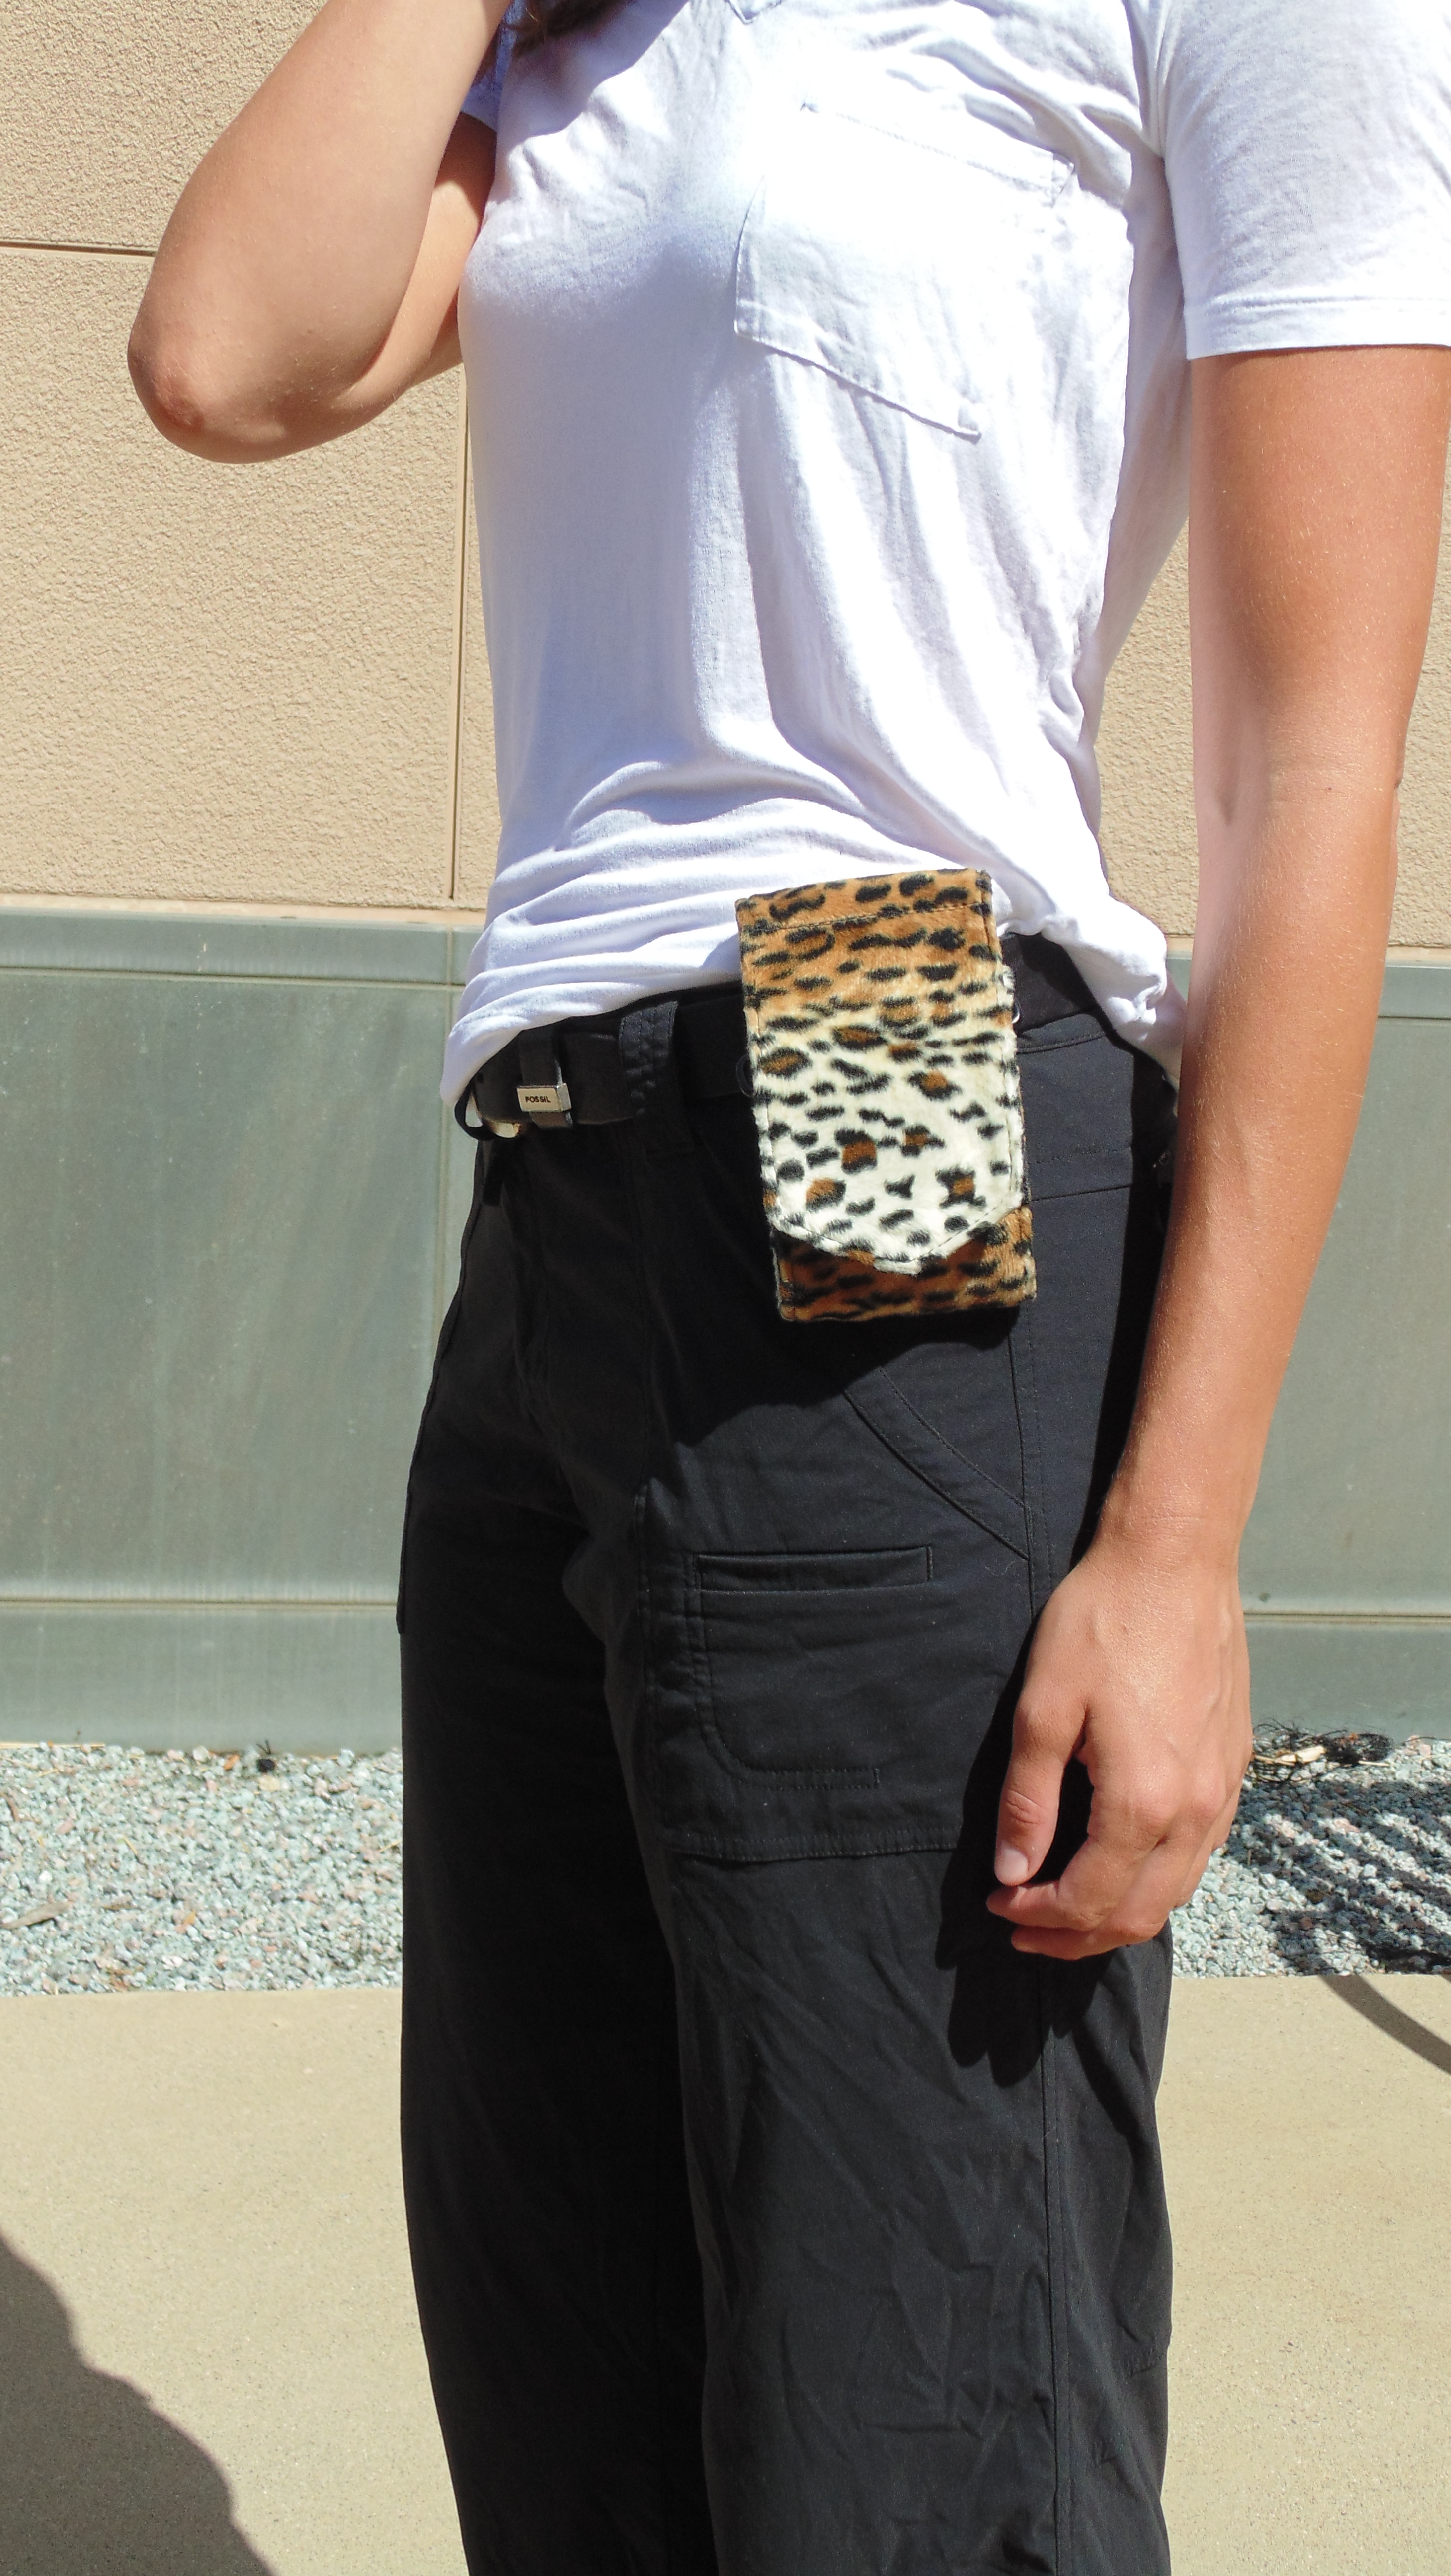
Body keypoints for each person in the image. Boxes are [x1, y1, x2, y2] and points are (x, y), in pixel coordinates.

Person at [128, 0, 1451, 2566]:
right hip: (552, 1161)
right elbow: (220, 355)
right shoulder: (585, 42)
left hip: (894, 1022)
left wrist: (1177, 1545)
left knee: (914, 2370)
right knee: (567, 2338)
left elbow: (1310, 778)